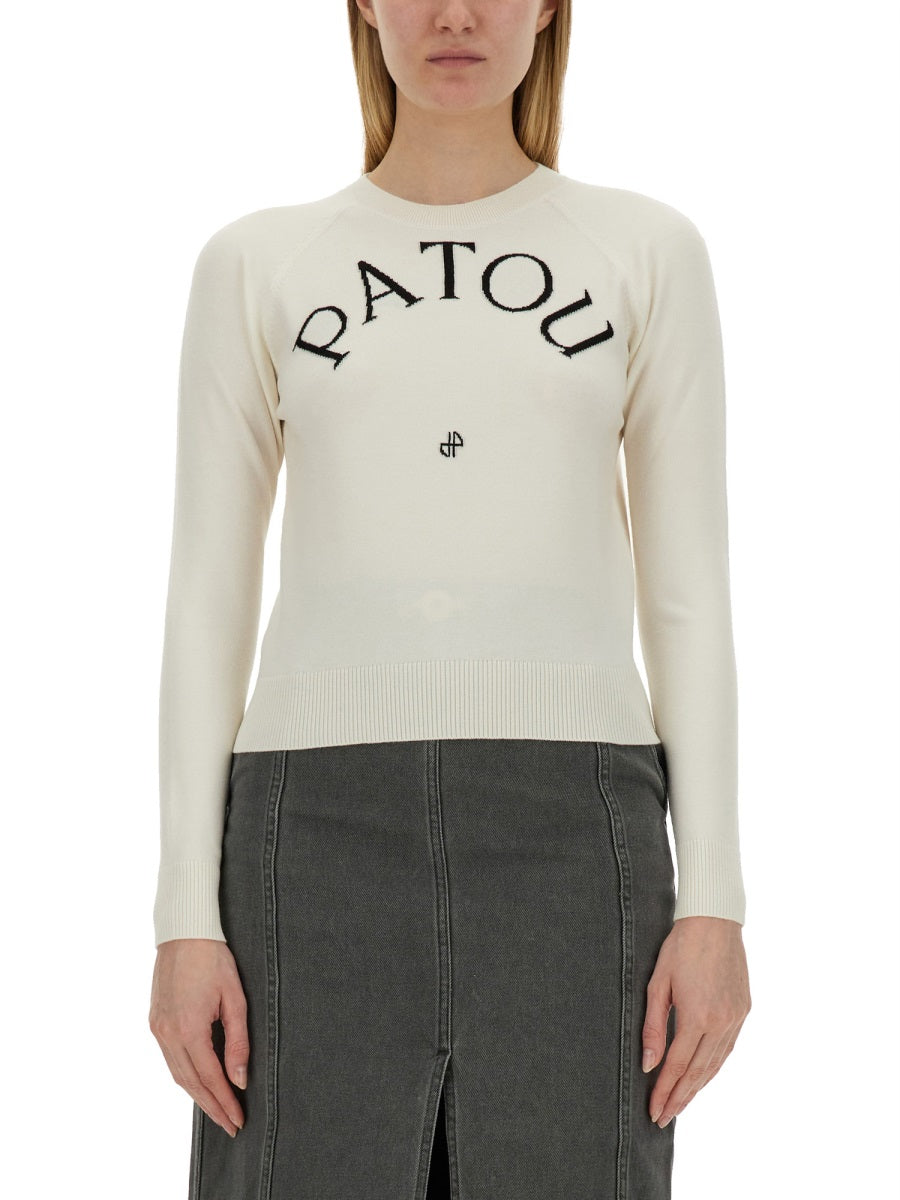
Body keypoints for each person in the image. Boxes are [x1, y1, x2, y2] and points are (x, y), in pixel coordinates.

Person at [148, 1, 752, 1196]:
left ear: (549, 7)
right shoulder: (257, 262)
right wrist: (184, 918)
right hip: (309, 833)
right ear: (365, 5)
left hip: (575, 830)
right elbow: (206, 597)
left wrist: (716, 902)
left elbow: (688, 595)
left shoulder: (645, 249)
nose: (457, 14)